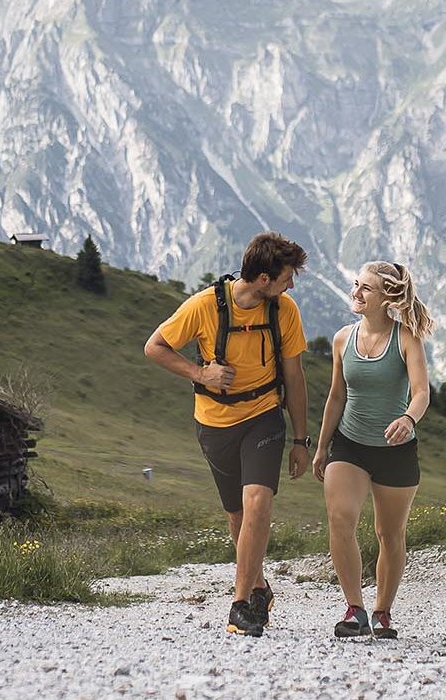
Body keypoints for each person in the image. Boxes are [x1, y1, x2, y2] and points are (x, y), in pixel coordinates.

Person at [143, 232, 312, 637]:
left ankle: (239, 606)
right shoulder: (204, 306)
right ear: (263, 279)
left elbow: (294, 376)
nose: (292, 285)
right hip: (215, 423)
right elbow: (155, 346)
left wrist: (301, 440)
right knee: (237, 517)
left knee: (257, 504)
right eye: (288, 276)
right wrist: (200, 373)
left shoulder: (284, 311)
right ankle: (258, 586)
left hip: (264, 417)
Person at [314, 260, 434, 639]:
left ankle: (383, 611)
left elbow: (421, 393)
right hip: (348, 444)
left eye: (365, 288)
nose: (356, 292)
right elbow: (336, 397)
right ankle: (355, 609)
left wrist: (409, 420)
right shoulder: (341, 339)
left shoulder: (406, 339)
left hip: (394, 450)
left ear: (386, 298)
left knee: (389, 533)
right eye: (356, 284)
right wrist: (321, 448)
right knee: (340, 519)